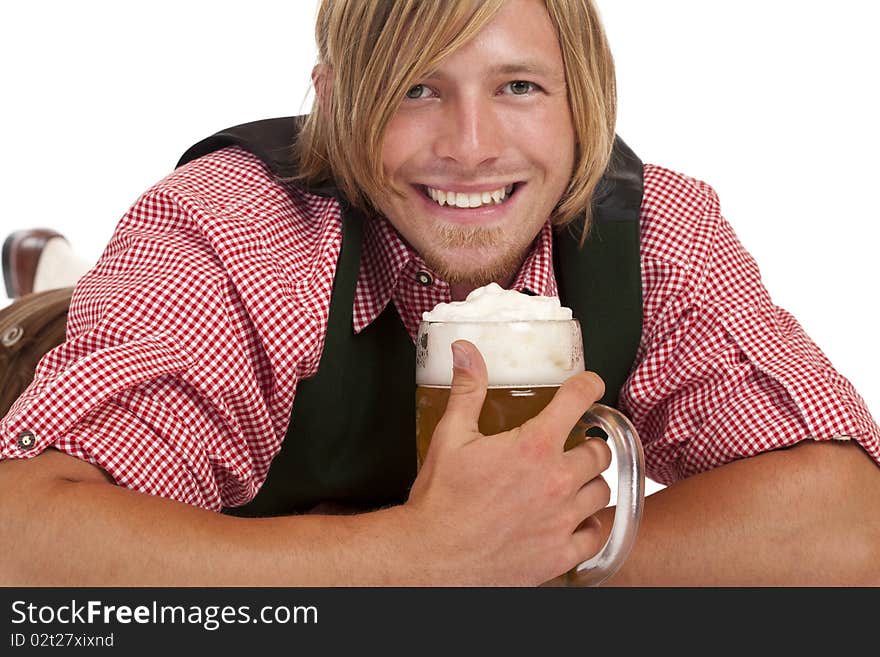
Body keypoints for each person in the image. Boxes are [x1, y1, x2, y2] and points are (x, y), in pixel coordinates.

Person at [1, 0, 878, 586]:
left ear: (586, 103)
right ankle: (57, 284)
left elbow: (848, 522)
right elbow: (26, 541)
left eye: (519, 87)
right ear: (336, 100)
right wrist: (414, 560)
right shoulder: (232, 225)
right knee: (58, 320)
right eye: (416, 88)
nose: (470, 147)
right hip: (58, 355)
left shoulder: (655, 228)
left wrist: (521, 570)